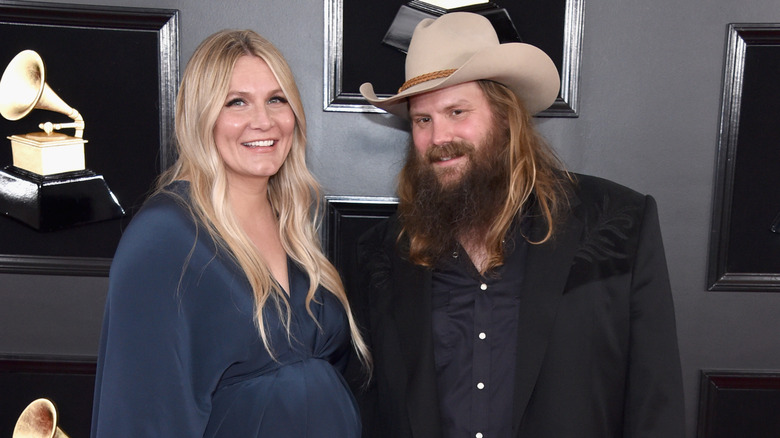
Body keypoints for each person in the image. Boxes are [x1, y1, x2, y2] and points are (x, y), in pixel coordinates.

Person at [350, 12, 685, 438]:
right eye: (423, 120)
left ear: (506, 118)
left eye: (457, 111)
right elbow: (373, 406)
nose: (438, 138)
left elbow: (656, 402)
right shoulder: (384, 251)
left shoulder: (618, 223)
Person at [91, 29, 370, 437]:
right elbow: (141, 415)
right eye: (236, 102)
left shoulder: (292, 227)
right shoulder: (165, 234)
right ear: (201, 116)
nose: (264, 120)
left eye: (277, 99)